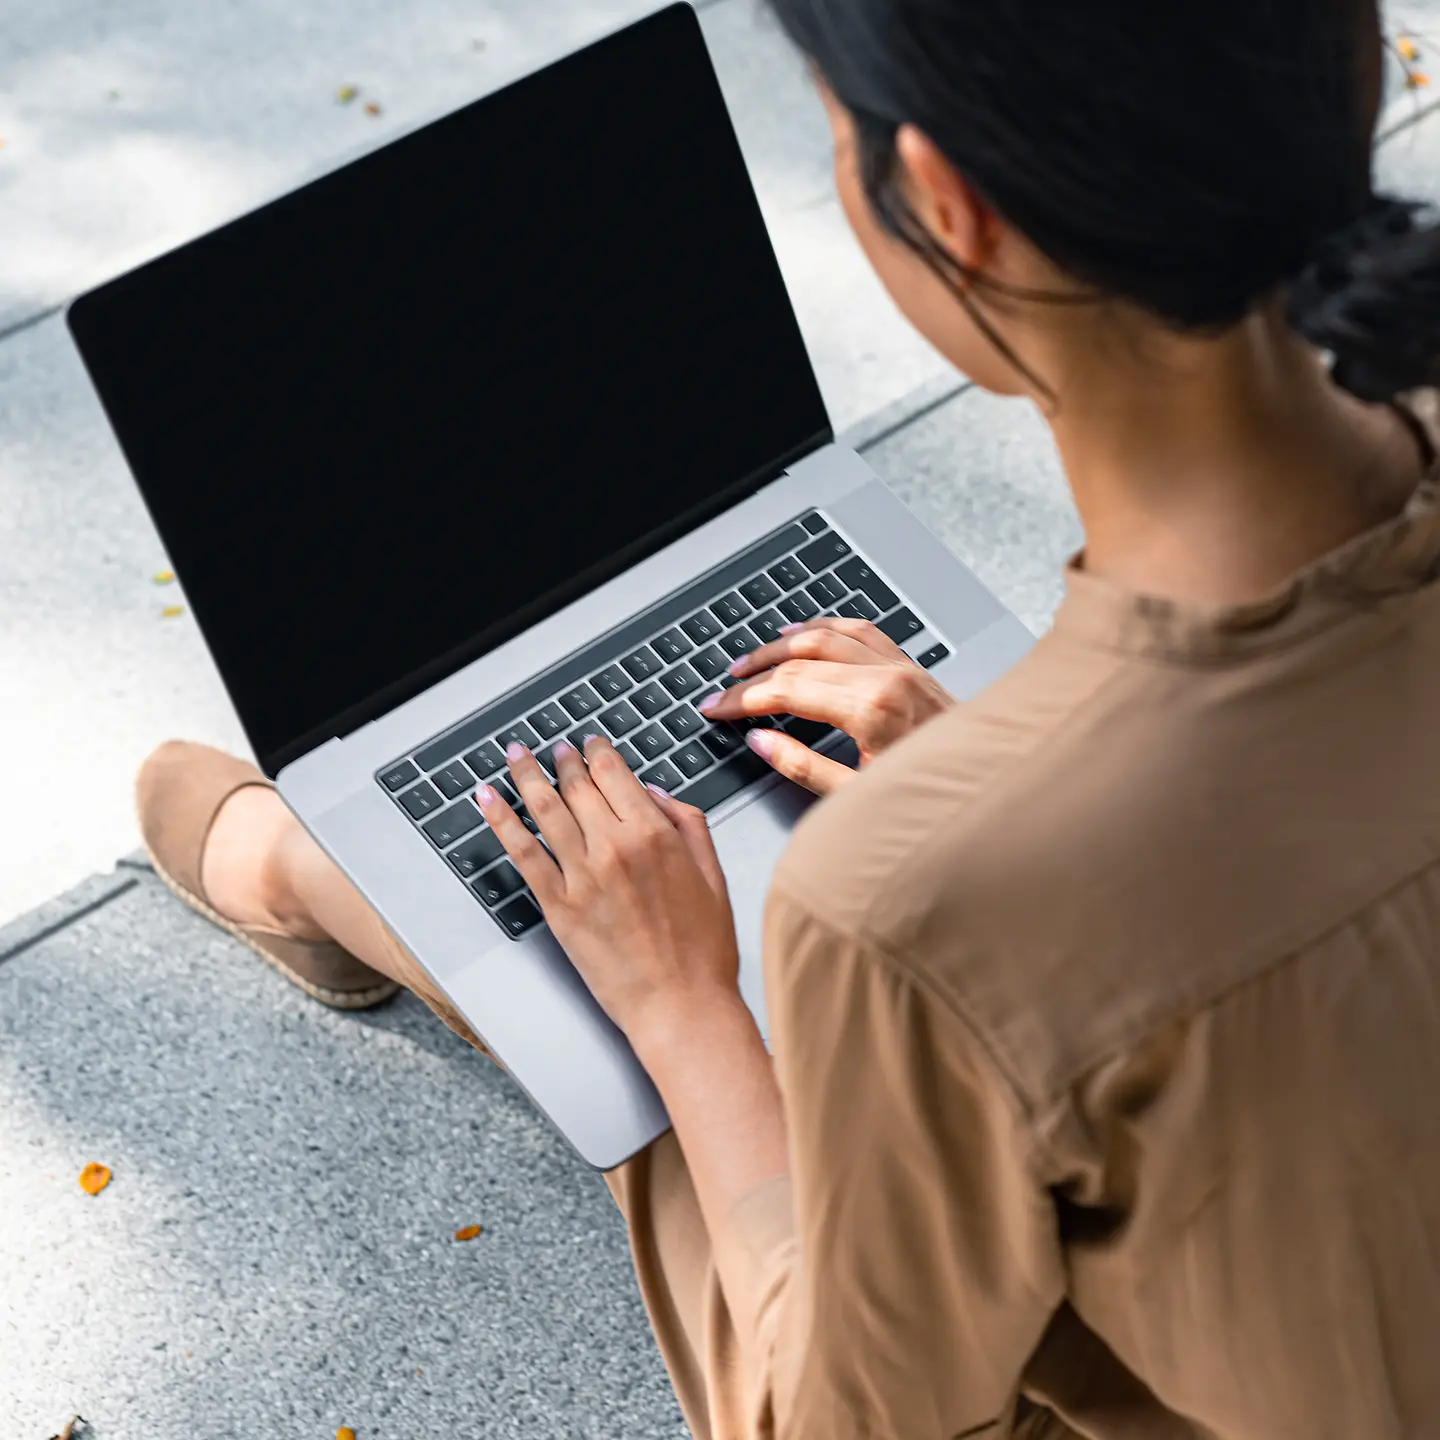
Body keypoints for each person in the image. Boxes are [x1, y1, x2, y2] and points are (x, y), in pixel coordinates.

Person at [135, 0, 1440, 1434]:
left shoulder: (918, 906)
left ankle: (315, 872)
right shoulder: (973, 881)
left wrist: (692, 1010)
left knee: (655, 1024)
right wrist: (1003, 801)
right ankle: (329, 877)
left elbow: (830, 1419)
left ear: (948, 205)